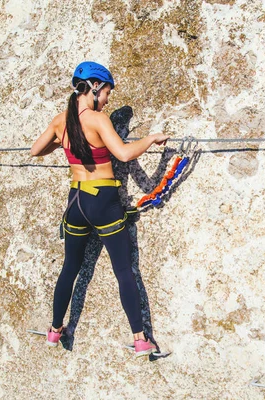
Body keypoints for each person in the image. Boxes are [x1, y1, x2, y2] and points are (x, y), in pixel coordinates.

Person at [30, 61, 169, 357]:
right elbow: (124, 152)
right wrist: (151, 139)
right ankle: (141, 339)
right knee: (124, 270)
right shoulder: (97, 119)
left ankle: (55, 330)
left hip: (76, 203)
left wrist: (63, 142)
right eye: (106, 92)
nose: (106, 99)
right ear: (94, 86)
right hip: (103, 202)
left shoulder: (61, 120)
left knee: (70, 268)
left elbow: (35, 150)